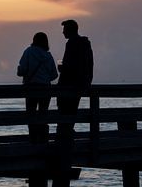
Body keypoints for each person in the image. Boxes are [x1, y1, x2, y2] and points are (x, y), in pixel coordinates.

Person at [53, 19, 93, 187]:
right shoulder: (85, 43)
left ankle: (64, 140)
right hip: (80, 85)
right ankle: (67, 137)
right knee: (71, 112)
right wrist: (87, 81)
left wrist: (63, 70)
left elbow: (69, 65)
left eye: (64, 30)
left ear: (70, 30)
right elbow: (89, 64)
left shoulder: (72, 44)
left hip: (69, 85)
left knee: (64, 111)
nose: (62, 33)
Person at [17, 32, 58, 187]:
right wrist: (44, 77)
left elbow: (22, 70)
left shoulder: (28, 52)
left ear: (33, 40)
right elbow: (54, 75)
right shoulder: (48, 56)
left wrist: (22, 72)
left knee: (31, 115)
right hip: (45, 89)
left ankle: (33, 141)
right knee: (43, 114)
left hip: (31, 88)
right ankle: (43, 141)